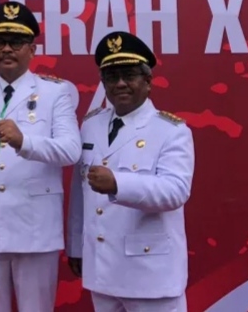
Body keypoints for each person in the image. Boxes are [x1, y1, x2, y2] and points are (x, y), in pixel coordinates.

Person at [0, 1, 82, 311]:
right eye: (0, 42)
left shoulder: (55, 92)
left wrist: (25, 142)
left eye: (17, 42)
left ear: (32, 50)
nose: (7, 49)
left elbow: (71, 150)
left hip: (35, 227)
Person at [67, 31, 195, 312]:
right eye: (112, 77)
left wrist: (118, 184)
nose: (120, 83)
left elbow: (175, 191)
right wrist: (76, 246)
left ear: (148, 81)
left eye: (129, 75)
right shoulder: (91, 124)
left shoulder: (171, 130)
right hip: (102, 271)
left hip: (150, 274)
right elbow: (80, 192)